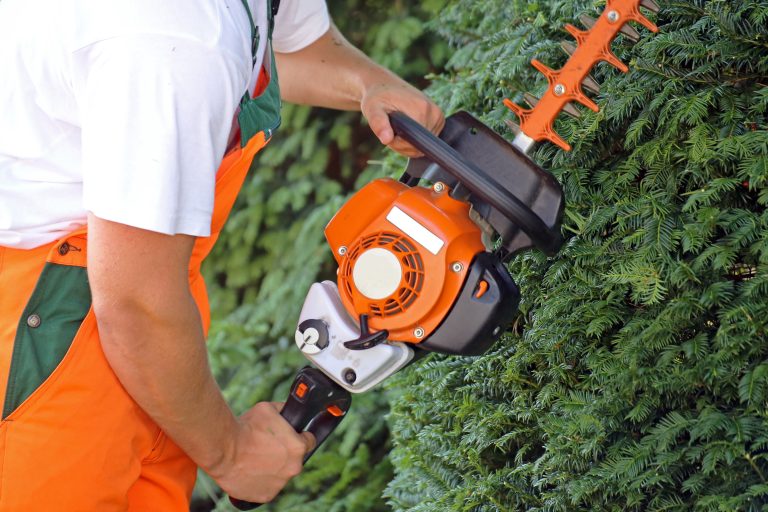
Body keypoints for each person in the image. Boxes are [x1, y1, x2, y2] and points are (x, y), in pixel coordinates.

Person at [0, 0, 444, 509]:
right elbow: (135, 303)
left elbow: (284, 46)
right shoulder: (169, 35)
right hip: (51, 333)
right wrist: (231, 455)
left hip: (143, 310)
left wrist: (368, 84)